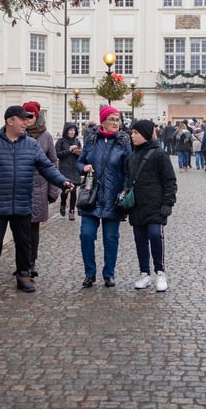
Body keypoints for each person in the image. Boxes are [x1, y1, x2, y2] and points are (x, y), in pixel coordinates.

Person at [0, 105, 75, 297]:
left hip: (23, 202)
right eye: (22, 119)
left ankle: (23, 275)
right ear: (10, 121)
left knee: (23, 242)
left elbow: (47, 167)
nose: (26, 122)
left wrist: (62, 182)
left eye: (28, 119)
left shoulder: (31, 145)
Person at [76, 105, 131, 288]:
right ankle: (89, 273)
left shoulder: (123, 142)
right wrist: (83, 168)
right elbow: (79, 162)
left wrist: (124, 191)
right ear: (103, 121)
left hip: (113, 197)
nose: (116, 123)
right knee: (86, 235)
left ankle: (109, 274)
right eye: (112, 119)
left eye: (118, 120)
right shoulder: (91, 140)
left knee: (111, 238)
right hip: (91, 196)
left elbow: (128, 170)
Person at [126, 120, 177, 292]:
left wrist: (168, 202)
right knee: (140, 239)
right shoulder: (131, 157)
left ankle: (160, 272)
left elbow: (170, 180)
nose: (132, 136)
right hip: (137, 206)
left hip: (155, 205)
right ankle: (144, 273)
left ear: (146, 134)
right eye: (132, 133)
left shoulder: (160, 154)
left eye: (136, 133)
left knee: (155, 235)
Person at [23, 101, 59, 278]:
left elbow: (53, 162)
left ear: (36, 116)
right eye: (25, 115)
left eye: (31, 115)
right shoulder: (18, 133)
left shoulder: (46, 136)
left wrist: (53, 190)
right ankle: (22, 261)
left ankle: (31, 261)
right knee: (20, 228)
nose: (28, 119)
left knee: (33, 227)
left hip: (39, 186)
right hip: (21, 186)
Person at [55, 122, 82, 221]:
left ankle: (72, 211)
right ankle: (63, 204)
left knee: (74, 191)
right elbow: (57, 154)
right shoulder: (61, 141)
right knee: (65, 190)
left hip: (74, 169)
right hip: (65, 169)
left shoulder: (77, 141)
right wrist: (69, 150)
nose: (72, 132)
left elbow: (81, 154)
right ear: (66, 131)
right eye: (70, 130)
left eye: (74, 130)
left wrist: (78, 152)